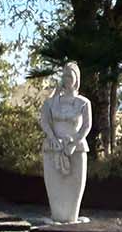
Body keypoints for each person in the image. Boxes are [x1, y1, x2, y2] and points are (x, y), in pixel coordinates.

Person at [39, 62, 92, 223]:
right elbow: (45, 121)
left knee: (73, 188)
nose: (67, 79)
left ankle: (71, 218)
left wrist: (74, 143)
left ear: (77, 78)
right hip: (53, 148)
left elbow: (86, 126)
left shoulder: (83, 102)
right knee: (55, 188)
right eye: (64, 75)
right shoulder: (51, 102)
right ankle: (57, 216)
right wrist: (53, 138)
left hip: (75, 149)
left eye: (70, 75)